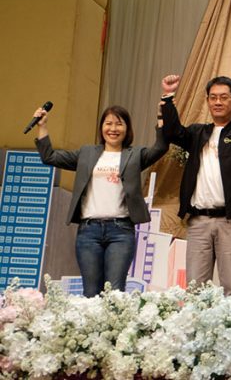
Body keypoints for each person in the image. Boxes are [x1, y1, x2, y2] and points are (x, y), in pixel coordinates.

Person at [33, 100, 167, 297]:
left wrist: (162, 117)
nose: (113, 129)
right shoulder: (87, 153)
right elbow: (49, 157)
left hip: (121, 231)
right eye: (108, 123)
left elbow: (160, 148)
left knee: (115, 291)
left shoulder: (135, 155)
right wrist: (42, 126)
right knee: (91, 292)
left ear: (127, 129)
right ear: (101, 127)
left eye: (119, 124)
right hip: (89, 231)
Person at [160, 74, 231, 294]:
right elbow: (172, 132)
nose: (218, 102)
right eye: (213, 97)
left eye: (224, 97)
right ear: (207, 100)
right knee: (195, 289)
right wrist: (168, 97)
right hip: (199, 222)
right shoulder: (197, 133)